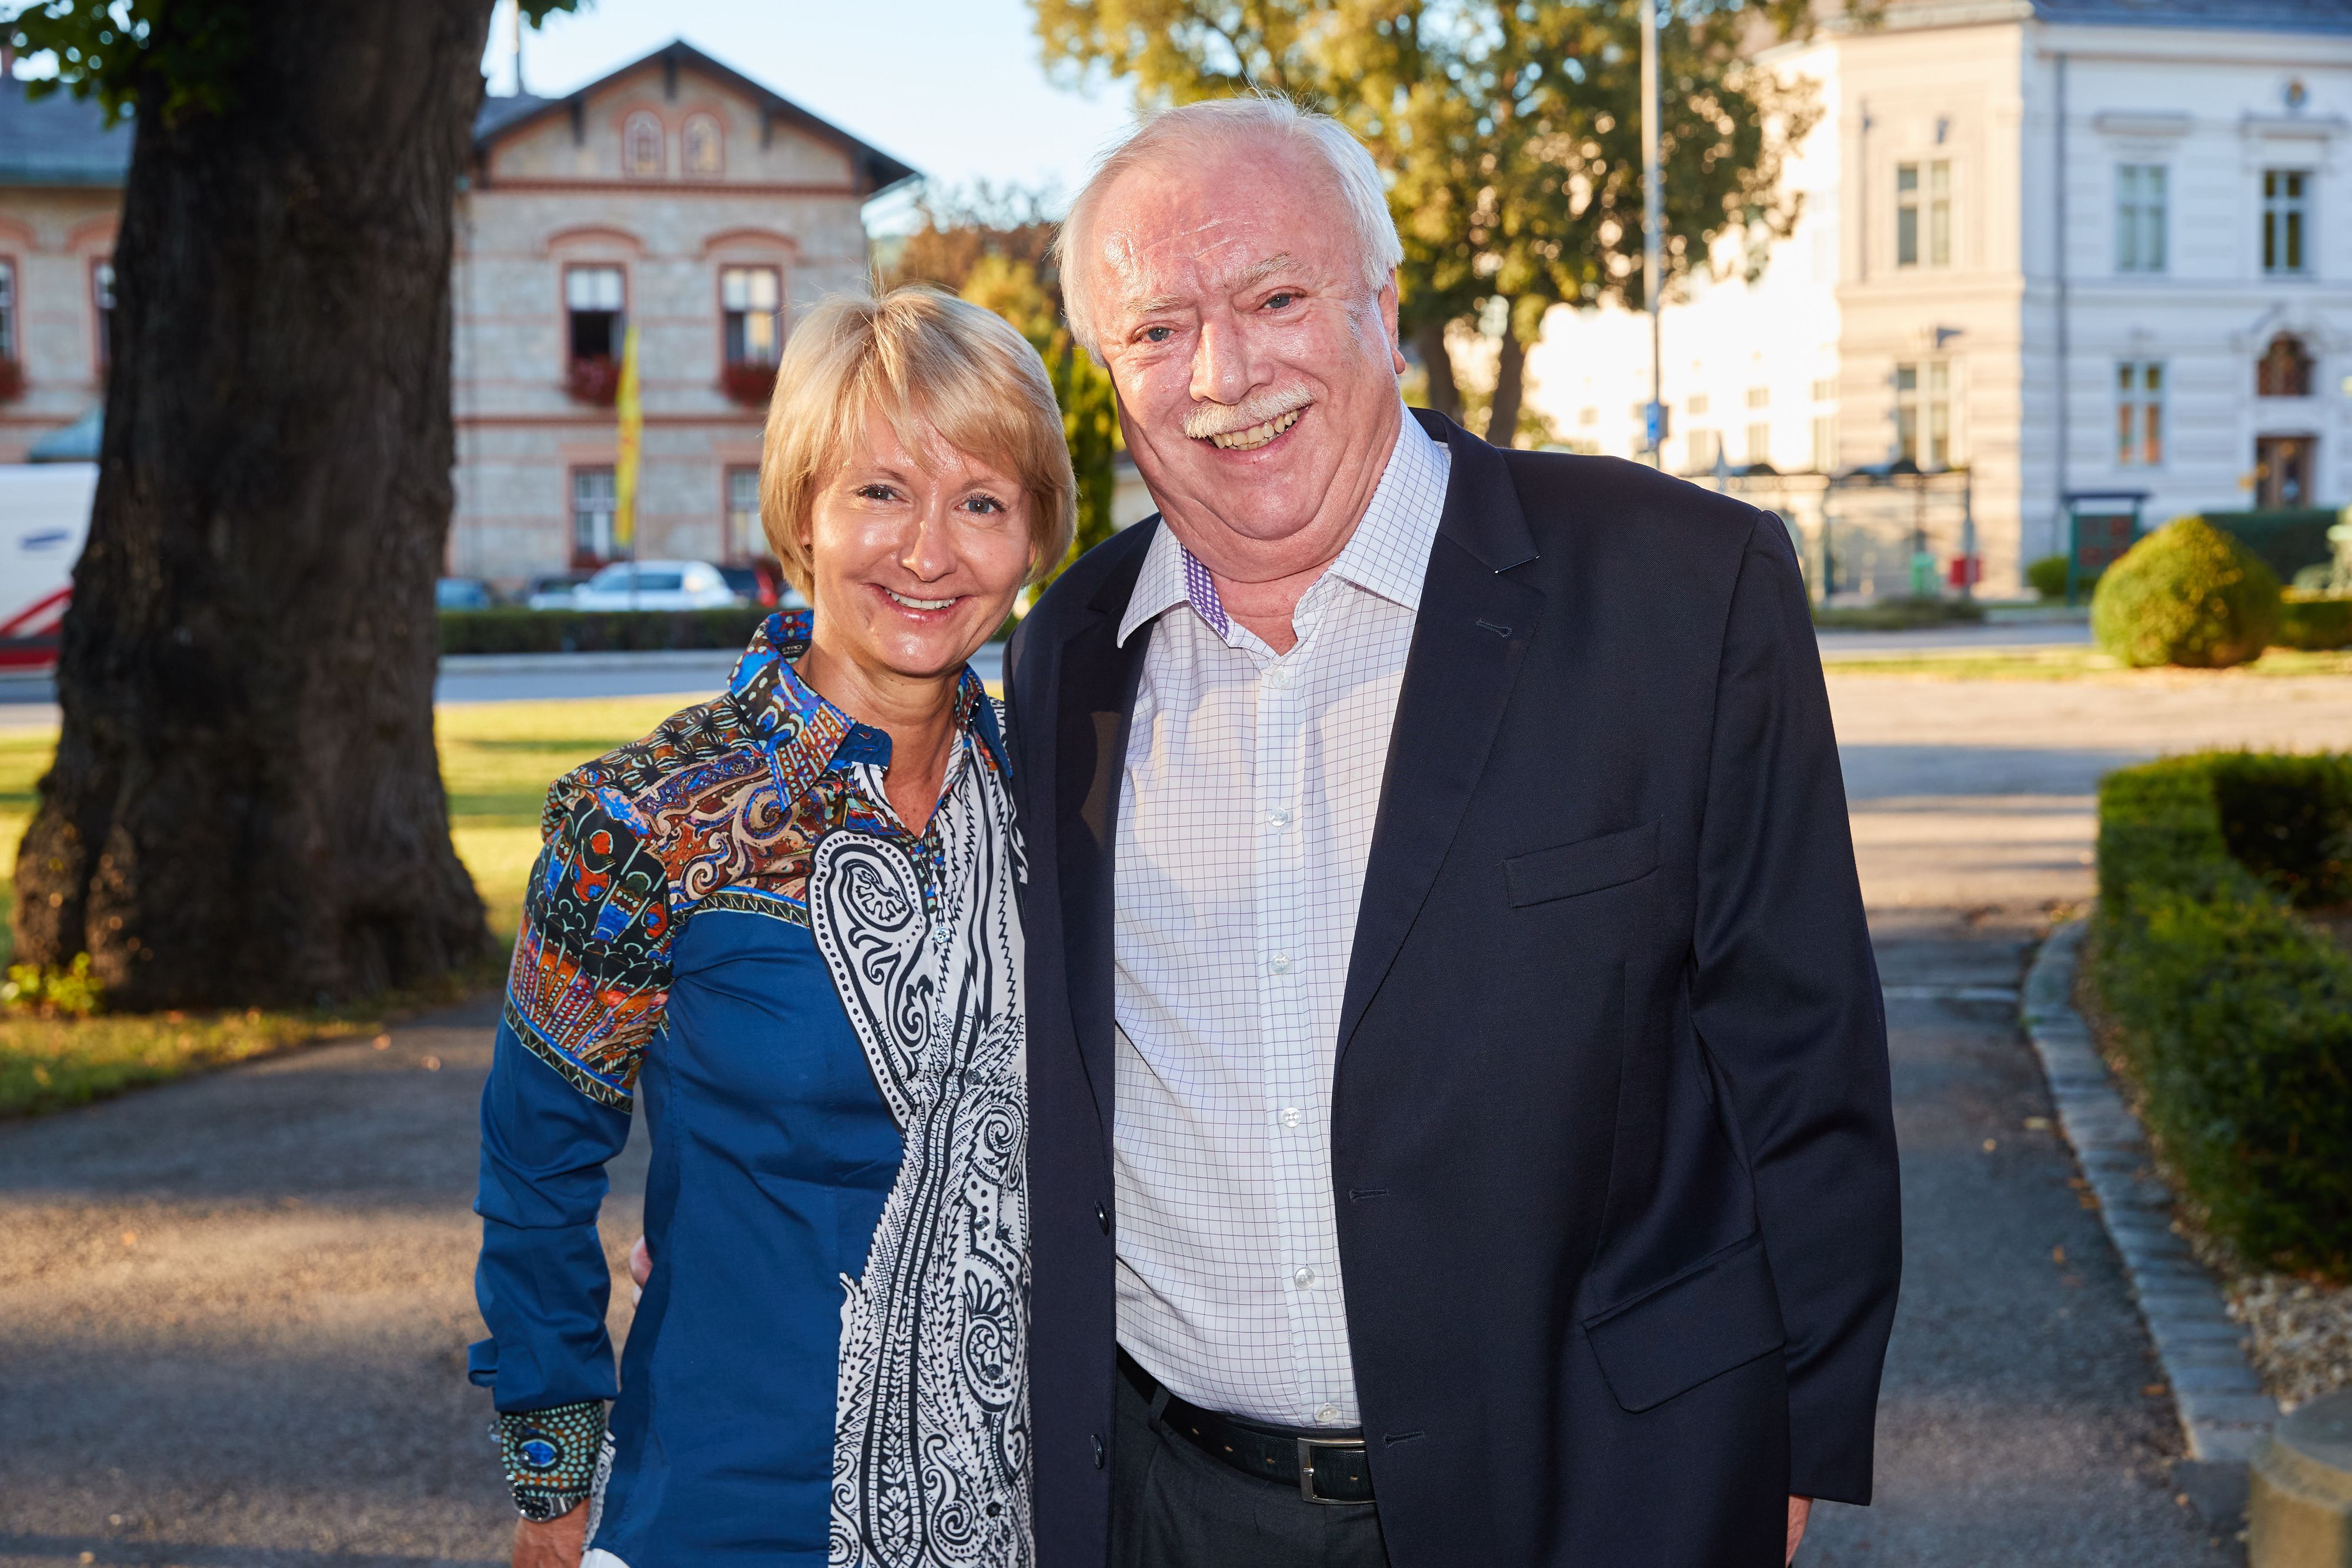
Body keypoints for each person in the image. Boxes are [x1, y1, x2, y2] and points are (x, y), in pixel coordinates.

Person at [1004, 97, 1902, 1567]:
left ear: (1383, 302)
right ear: (1109, 374)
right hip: (1171, 1507)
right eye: (1156, 331)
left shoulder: (1681, 586)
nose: (1221, 373)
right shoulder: (1070, 650)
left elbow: (1799, 1048)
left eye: (1275, 298)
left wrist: (1790, 1442)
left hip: (1595, 1486)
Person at [469, 287, 1072, 1568]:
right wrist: (551, 1484)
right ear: (801, 508)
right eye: (879, 492)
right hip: (724, 1509)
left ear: (1034, 538)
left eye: (981, 501)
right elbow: (535, 1173)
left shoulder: (1065, 809)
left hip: (1025, 1512)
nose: (928, 550)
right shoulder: (644, 820)